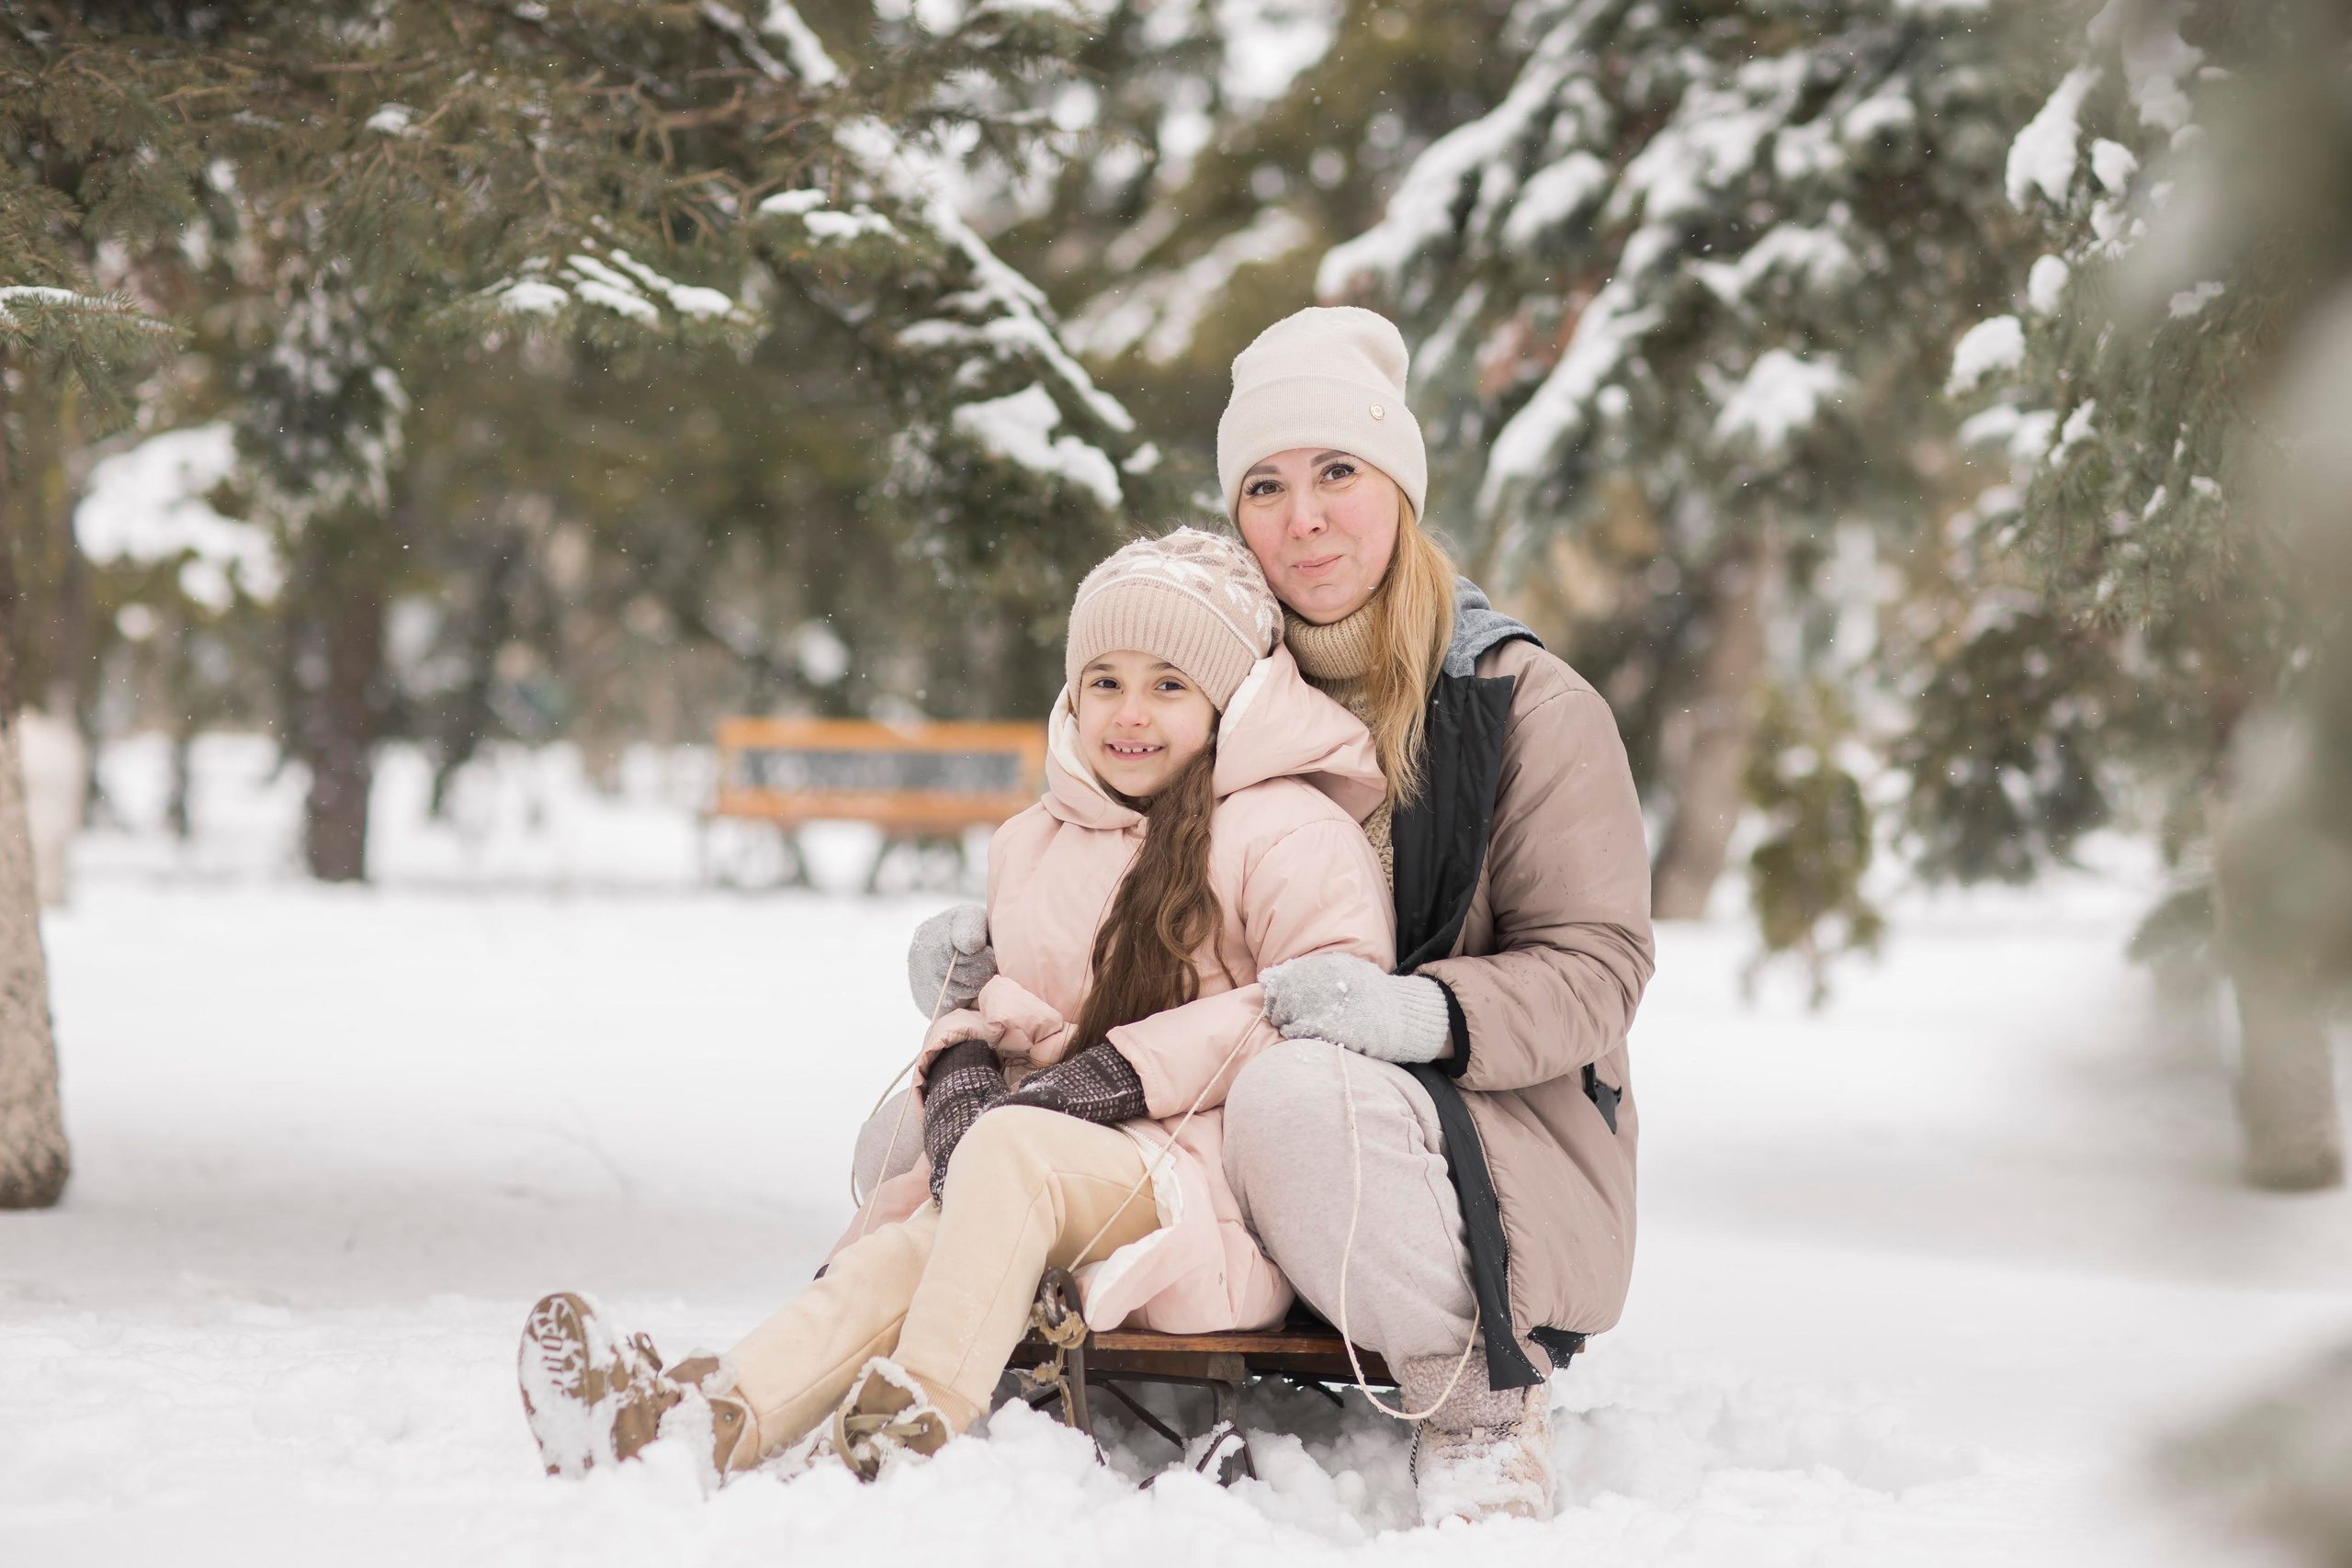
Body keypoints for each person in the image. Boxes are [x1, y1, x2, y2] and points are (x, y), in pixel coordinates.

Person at [902, 307, 1656, 1523]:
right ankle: (875, 1370)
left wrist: (1422, 1010)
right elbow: (1116, 865)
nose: (1302, 518)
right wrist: (997, 948)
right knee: (931, 1120)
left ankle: (1472, 1400)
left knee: (1293, 1091)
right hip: (1199, 1105)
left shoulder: (1521, 702)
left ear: (1399, 487)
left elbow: (1599, 965)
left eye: (1337, 473)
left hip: (1463, 1141)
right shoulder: (1213, 677)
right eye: (1265, 484)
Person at [518, 527, 1396, 1483]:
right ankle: (698, 1422)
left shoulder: (1287, 831)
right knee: (914, 1245)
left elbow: (1322, 1002)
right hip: (1050, 1156)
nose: (1129, 713)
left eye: (1168, 685)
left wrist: (1115, 1076)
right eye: (1103, 681)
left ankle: (914, 1420)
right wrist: (970, 1058)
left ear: (1230, 701)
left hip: (1209, 1182)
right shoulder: (1035, 840)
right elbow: (1020, 999)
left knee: (1005, 1157)